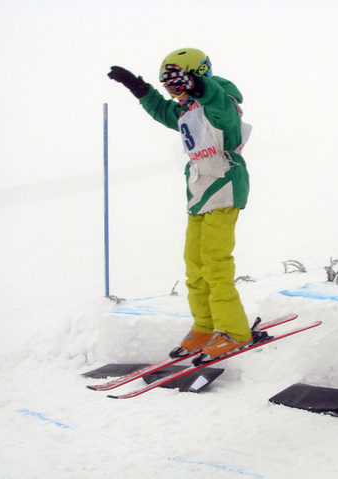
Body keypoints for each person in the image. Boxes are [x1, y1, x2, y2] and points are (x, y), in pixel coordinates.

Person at [108, 48, 253, 361]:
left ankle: (235, 330)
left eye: (177, 85)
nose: (173, 95)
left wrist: (200, 87)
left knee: (215, 263)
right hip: (199, 191)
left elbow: (221, 112)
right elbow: (163, 112)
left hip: (225, 185)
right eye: (168, 87)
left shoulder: (222, 103)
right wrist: (140, 89)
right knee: (195, 266)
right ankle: (205, 324)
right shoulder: (187, 111)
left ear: (196, 77)